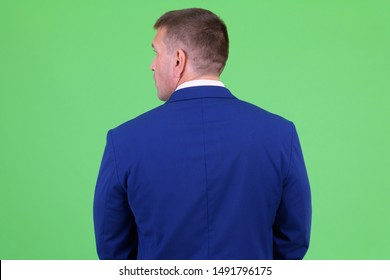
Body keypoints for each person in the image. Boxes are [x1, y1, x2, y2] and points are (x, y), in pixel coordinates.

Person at [93, 8, 312, 260]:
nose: (152, 65)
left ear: (178, 59)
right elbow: (293, 240)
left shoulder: (124, 140)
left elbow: (112, 249)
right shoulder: (280, 135)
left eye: (156, 52)